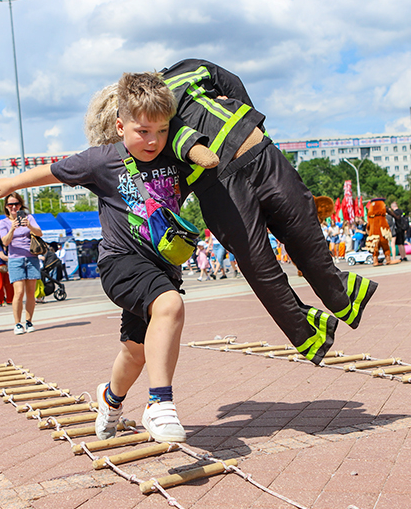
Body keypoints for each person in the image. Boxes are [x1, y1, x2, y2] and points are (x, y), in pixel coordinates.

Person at [84, 60, 378, 364]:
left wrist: (246, 119)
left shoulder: (186, 71)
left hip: (255, 156)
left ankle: (342, 296)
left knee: (301, 230)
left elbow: (227, 79)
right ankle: (308, 332)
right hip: (218, 188)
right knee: (259, 265)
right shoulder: (151, 138)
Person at [0, 72, 210, 443]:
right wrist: (12, 183)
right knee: (169, 307)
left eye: (161, 131)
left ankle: (111, 398)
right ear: (120, 126)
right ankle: (159, 403)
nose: (152, 140)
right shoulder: (102, 161)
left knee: (136, 352)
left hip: (161, 267)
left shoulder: (175, 156)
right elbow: (54, 171)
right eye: (142, 131)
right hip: (120, 262)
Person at [0, 193, 44, 335]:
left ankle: (29, 321)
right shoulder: (3, 222)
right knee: (18, 292)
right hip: (15, 259)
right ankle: (17, 323)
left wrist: (29, 225)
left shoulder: (29, 218)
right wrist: (12, 228)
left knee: (31, 292)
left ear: (21, 204)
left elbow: (40, 233)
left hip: (31, 257)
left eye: (16, 204)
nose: (13, 207)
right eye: (10, 204)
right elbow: (5, 242)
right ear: (6, 207)